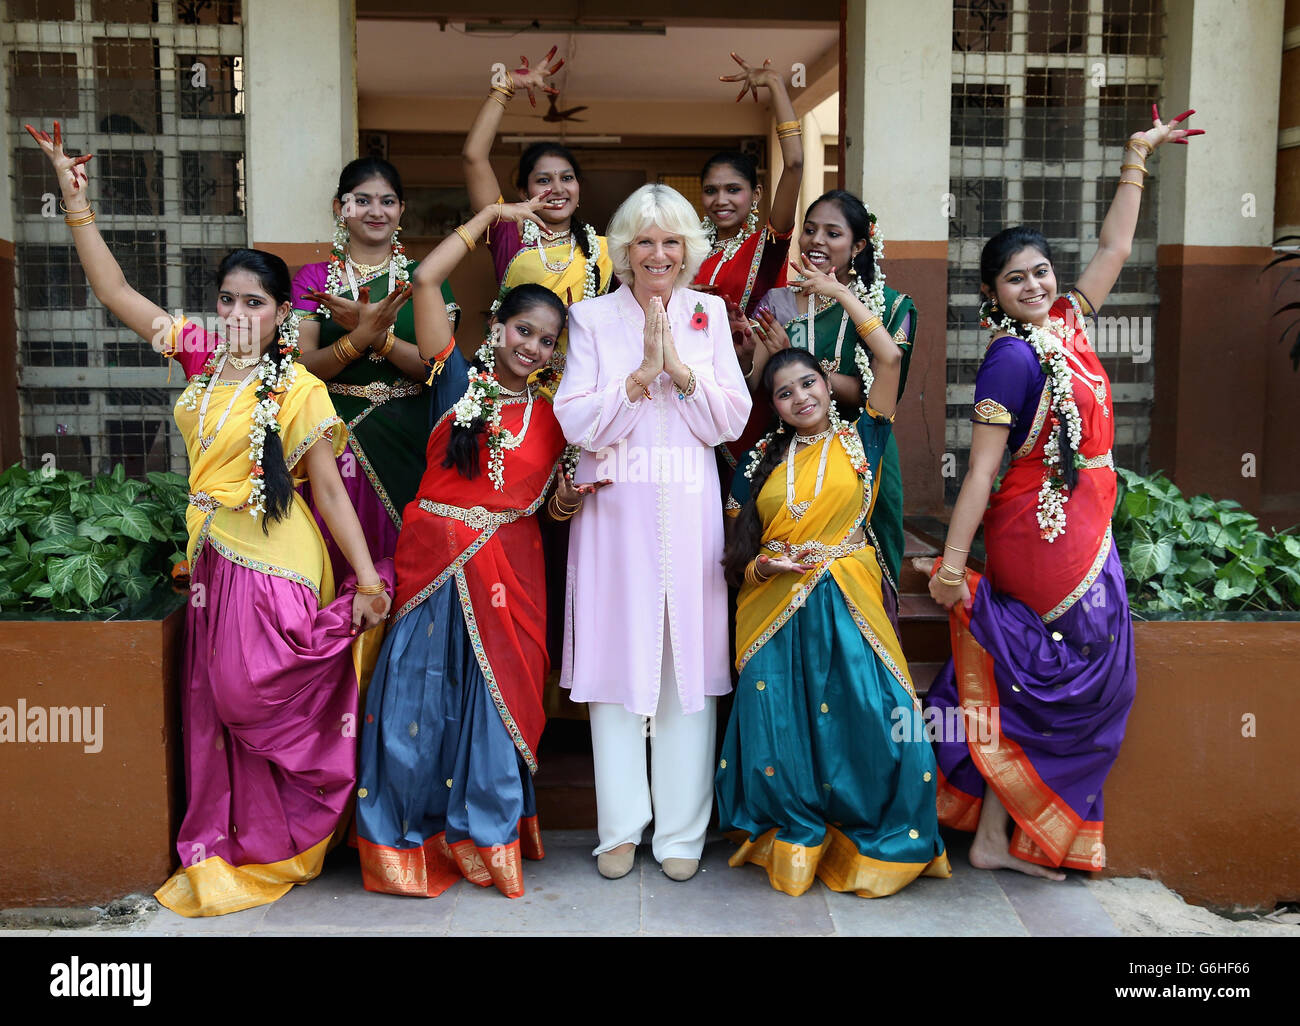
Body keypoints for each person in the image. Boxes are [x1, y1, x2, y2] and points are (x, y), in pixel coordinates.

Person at [27, 122, 393, 916]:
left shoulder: (298, 388)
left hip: (276, 559)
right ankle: (247, 841)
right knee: (216, 711)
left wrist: (366, 577)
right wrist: (76, 203)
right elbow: (117, 295)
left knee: (245, 694)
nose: (236, 312)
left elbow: (328, 491)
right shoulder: (195, 353)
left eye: (253, 303)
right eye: (226, 298)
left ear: (277, 315)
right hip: (211, 559)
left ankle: (300, 815)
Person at [920, 107, 1203, 878]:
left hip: (1090, 528)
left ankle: (991, 840)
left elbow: (1115, 245)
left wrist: (1138, 156)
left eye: (1042, 271)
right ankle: (999, 833)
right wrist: (951, 565)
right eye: (1017, 279)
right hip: (1037, 535)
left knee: (1087, 680)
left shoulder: (1072, 321)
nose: (1036, 284)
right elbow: (979, 470)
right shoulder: (1008, 361)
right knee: (1064, 678)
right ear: (993, 293)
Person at [355, 196, 603, 899]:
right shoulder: (454, 380)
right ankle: (405, 838)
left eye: (547, 341)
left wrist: (564, 502)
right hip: (434, 564)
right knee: (416, 698)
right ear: (498, 325)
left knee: (497, 703)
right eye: (524, 329)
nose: (533, 347)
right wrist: (492, 213)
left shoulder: (560, 415)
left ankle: (486, 838)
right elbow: (427, 280)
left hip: (511, 571)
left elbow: (552, 504)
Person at [716, 272, 950, 896]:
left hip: (848, 597)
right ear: (774, 405)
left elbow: (890, 356)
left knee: (878, 714)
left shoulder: (865, 435)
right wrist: (767, 567)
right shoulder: (760, 462)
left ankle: (874, 836)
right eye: (784, 392)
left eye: (809, 384)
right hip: (776, 606)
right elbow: (738, 552)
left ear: (828, 385)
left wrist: (840, 295)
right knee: (781, 720)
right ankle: (792, 832)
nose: (799, 398)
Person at [553, 183, 751, 882]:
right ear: (624, 251)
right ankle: (619, 828)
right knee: (616, 663)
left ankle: (680, 835)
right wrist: (638, 379)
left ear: (690, 250)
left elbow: (730, 420)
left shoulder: (711, 314)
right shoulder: (590, 318)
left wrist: (681, 373)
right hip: (615, 512)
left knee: (685, 666)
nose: (658, 254)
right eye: (644, 241)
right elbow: (574, 419)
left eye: (671, 241)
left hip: (691, 504)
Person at [291, 158, 463, 586]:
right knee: (340, 553)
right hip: (335, 435)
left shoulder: (426, 281)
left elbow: (438, 368)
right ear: (339, 208)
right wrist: (361, 336)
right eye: (361, 201)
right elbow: (301, 368)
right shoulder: (313, 280)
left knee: (411, 561)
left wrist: (375, 336)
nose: (375, 211)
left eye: (387, 201)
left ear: (401, 210)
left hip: (413, 433)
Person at [750, 190, 918, 624]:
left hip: (863, 451)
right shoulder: (779, 303)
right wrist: (767, 358)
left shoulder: (893, 307)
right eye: (809, 230)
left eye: (832, 233)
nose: (816, 241)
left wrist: (805, 368)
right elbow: (755, 387)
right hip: (792, 449)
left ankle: (870, 674)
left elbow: (883, 388)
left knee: (868, 565)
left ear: (858, 246)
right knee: (792, 556)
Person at [462, 47, 615, 378]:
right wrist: (503, 88)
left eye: (567, 178)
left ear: (579, 188)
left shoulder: (606, 249)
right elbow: (474, 156)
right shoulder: (506, 230)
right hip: (514, 382)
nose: (558, 189)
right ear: (523, 192)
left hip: (583, 385)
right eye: (544, 180)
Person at [695, 53, 804, 463]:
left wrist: (775, 84)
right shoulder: (690, 250)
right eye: (711, 190)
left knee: (745, 502)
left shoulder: (766, 243)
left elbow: (794, 164)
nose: (720, 200)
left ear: (755, 195)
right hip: (696, 386)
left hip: (752, 382)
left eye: (733, 189)